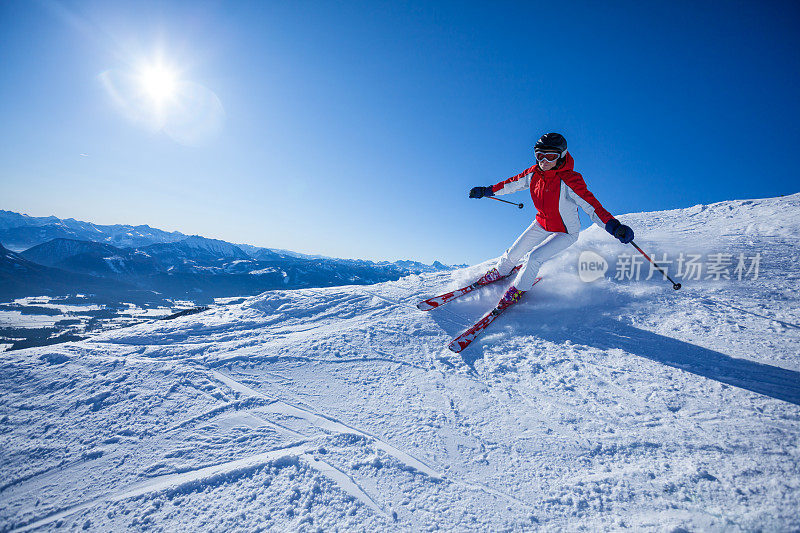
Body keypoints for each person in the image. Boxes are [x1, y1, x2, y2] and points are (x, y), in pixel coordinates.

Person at [468, 132, 634, 308]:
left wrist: (615, 227)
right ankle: (501, 271)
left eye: (550, 156)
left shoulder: (570, 180)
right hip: (541, 223)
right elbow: (511, 184)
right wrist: (487, 190)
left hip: (566, 231)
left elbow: (592, 207)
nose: (543, 161)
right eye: (540, 155)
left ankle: (518, 289)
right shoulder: (533, 173)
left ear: (561, 156)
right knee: (514, 252)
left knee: (534, 258)